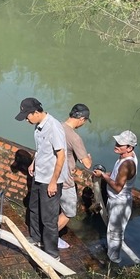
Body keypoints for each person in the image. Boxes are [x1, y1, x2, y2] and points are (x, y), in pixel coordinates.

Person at [15, 97, 66, 260]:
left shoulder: (54, 127)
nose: (26, 120)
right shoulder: (38, 127)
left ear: (36, 112)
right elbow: (42, 149)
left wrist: (53, 182)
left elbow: (61, 156)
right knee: (34, 208)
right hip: (39, 175)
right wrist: (34, 163)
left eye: (27, 116)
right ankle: (36, 239)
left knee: (49, 218)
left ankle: (52, 254)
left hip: (50, 180)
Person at [93, 130, 138, 265]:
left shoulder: (127, 164)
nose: (116, 145)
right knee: (113, 231)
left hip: (120, 203)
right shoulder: (124, 157)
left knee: (115, 234)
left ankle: (114, 261)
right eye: (117, 142)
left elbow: (118, 187)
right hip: (116, 200)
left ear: (129, 148)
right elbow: (117, 174)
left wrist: (103, 176)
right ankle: (113, 256)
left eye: (120, 144)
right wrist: (107, 174)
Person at [57, 103, 93, 249]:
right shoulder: (75, 137)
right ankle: (50, 238)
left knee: (52, 208)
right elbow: (87, 164)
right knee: (69, 211)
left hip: (50, 174)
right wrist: (88, 157)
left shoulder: (57, 127)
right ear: (82, 119)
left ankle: (44, 234)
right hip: (65, 179)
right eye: (84, 121)